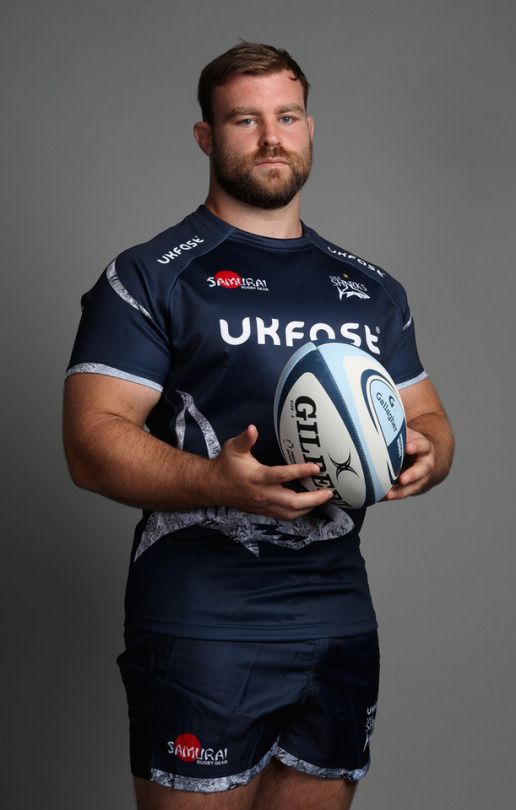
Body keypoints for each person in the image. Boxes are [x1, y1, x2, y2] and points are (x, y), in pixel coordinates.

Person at [63, 42, 454, 810]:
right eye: (245, 119)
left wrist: (427, 455)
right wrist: (215, 481)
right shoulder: (151, 275)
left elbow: (430, 419)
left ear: (310, 127)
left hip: (338, 617)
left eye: (288, 116)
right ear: (207, 136)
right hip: (202, 622)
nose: (272, 137)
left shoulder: (369, 288)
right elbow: (89, 442)